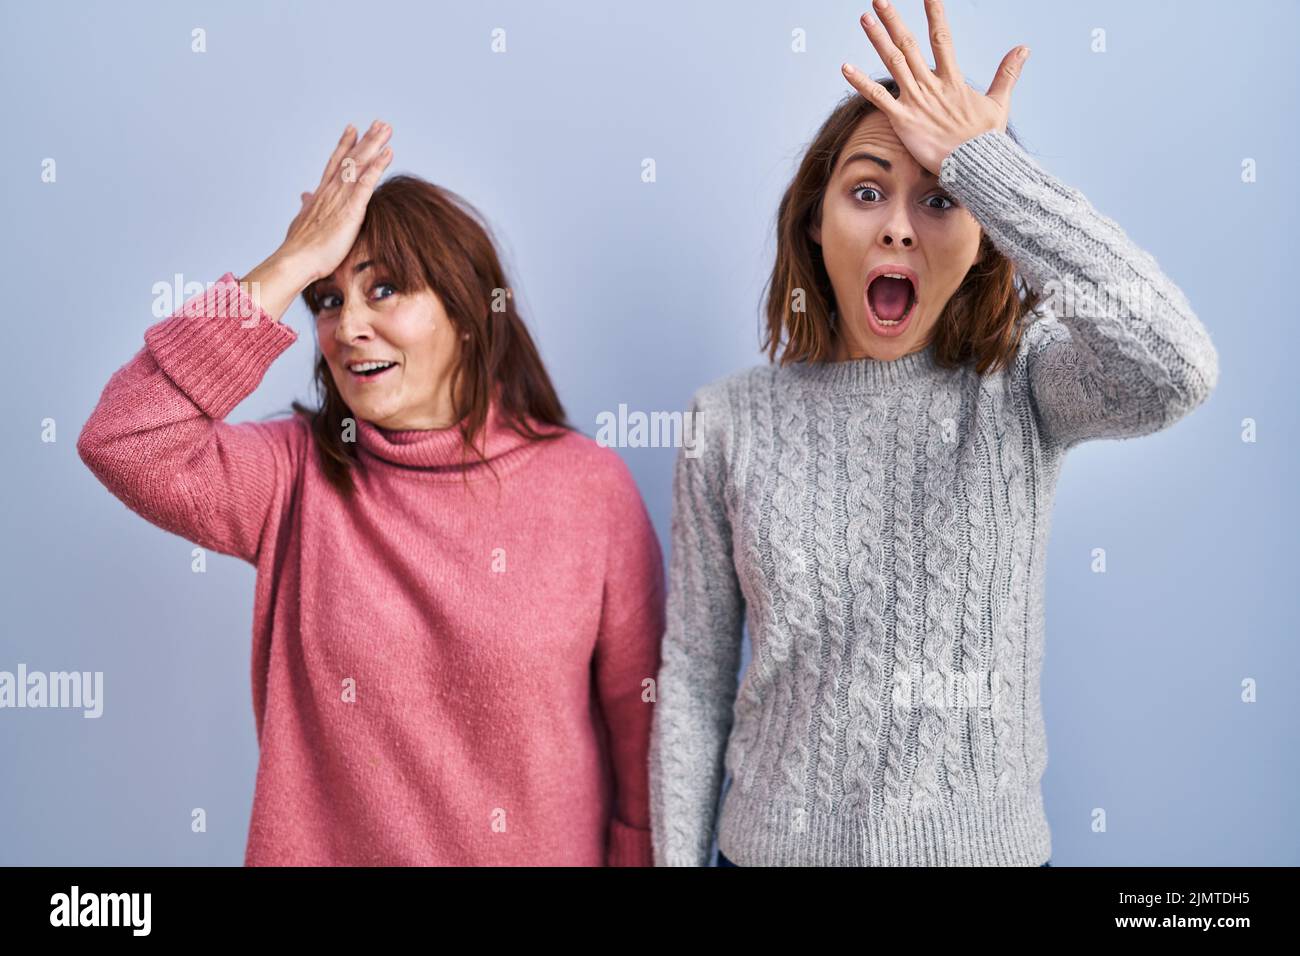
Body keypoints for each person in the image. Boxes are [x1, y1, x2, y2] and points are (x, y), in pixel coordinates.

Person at [649, 0, 1218, 866]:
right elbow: (692, 681)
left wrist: (988, 166)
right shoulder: (727, 420)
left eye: (941, 199)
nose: (899, 225)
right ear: (815, 219)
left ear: (987, 238)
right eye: (867, 190)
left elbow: (1177, 366)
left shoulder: (1025, 386)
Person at [78, 120, 664, 866]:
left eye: (384, 289)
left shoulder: (588, 490)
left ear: (465, 311)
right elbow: (125, 436)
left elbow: (645, 740)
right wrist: (290, 263)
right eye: (327, 300)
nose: (348, 325)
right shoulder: (292, 479)